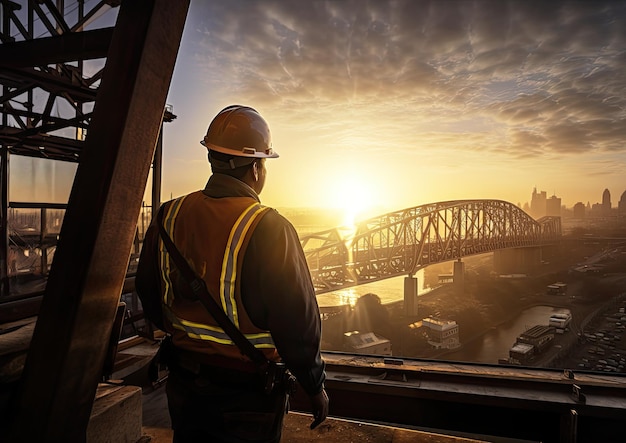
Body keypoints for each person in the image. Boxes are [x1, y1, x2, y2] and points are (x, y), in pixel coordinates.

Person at [135, 105, 329, 442]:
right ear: (256, 168)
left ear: (212, 158)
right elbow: (298, 323)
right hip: (247, 394)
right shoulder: (268, 227)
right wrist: (314, 385)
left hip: (184, 383)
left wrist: (184, 334)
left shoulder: (168, 215)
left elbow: (147, 290)